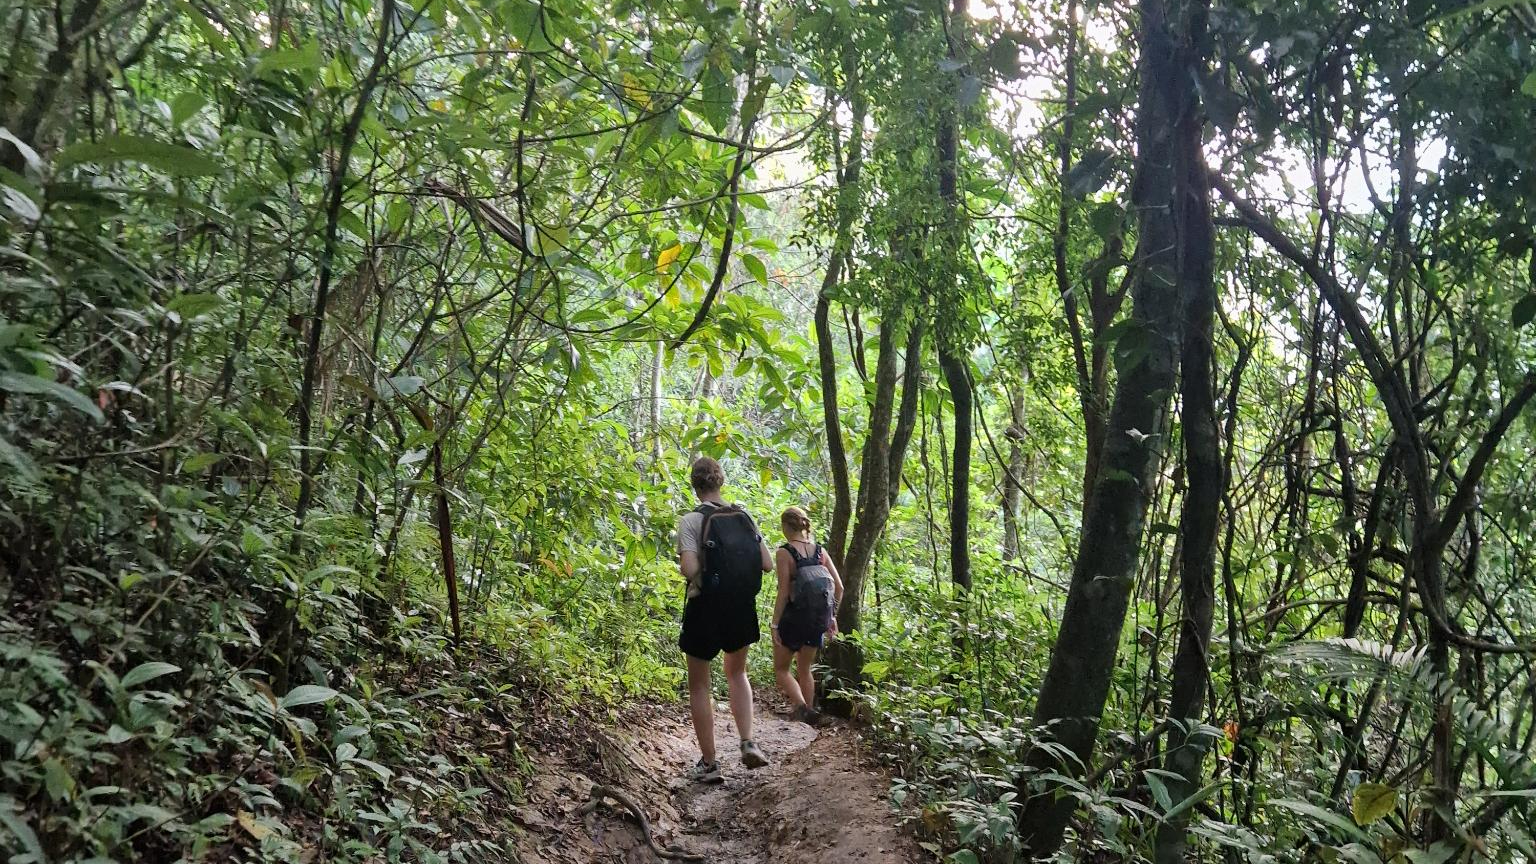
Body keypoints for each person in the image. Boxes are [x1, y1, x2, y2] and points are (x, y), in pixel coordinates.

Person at [676, 456, 773, 783]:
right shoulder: (745, 516)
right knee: (737, 673)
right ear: (721, 481)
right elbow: (768, 563)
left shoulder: (691, 521)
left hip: (705, 607)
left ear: (695, 484)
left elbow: (690, 569)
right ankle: (747, 742)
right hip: (740, 606)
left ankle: (710, 762)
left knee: (700, 684)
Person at [770, 506, 843, 726]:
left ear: (785, 526)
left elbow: (783, 592)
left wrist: (775, 624)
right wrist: (832, 616)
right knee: (805, 668)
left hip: (793, 618)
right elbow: (839, 587)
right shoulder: (820, 551)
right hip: (817, 619)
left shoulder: (785, 552)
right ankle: (809, 714)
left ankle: (801, 707)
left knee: (781, 669)